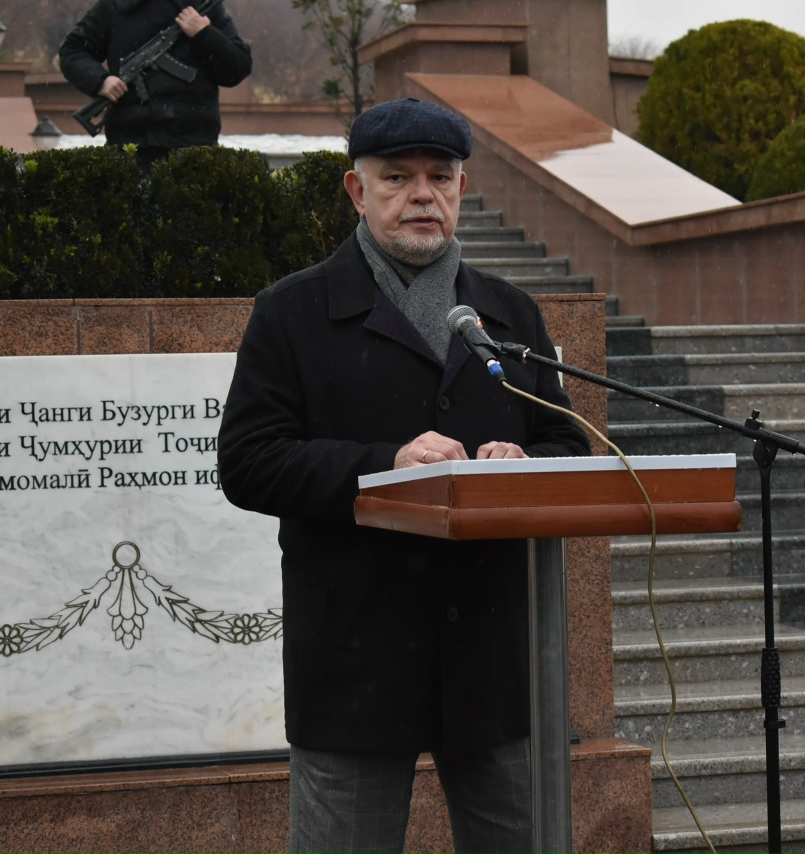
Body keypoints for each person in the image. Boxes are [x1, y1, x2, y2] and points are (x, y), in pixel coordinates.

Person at [216, 97, 590, 854]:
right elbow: (249, 461)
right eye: (397, 178)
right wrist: (386, 465)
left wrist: (526, 465)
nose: (423, 195)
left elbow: (566, 445)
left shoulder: (509, 315)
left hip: (494, 662)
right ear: (357, 191)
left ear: (461, 189)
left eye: (440, 178)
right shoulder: (292, 312)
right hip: (356, 659)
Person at [58, 0, 251, 168]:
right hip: (131, 147)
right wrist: (101, 81)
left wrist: (204, 34)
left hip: (195, 146)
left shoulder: (203, 6)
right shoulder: (115, 6)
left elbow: (237, 68)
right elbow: (72, 51)